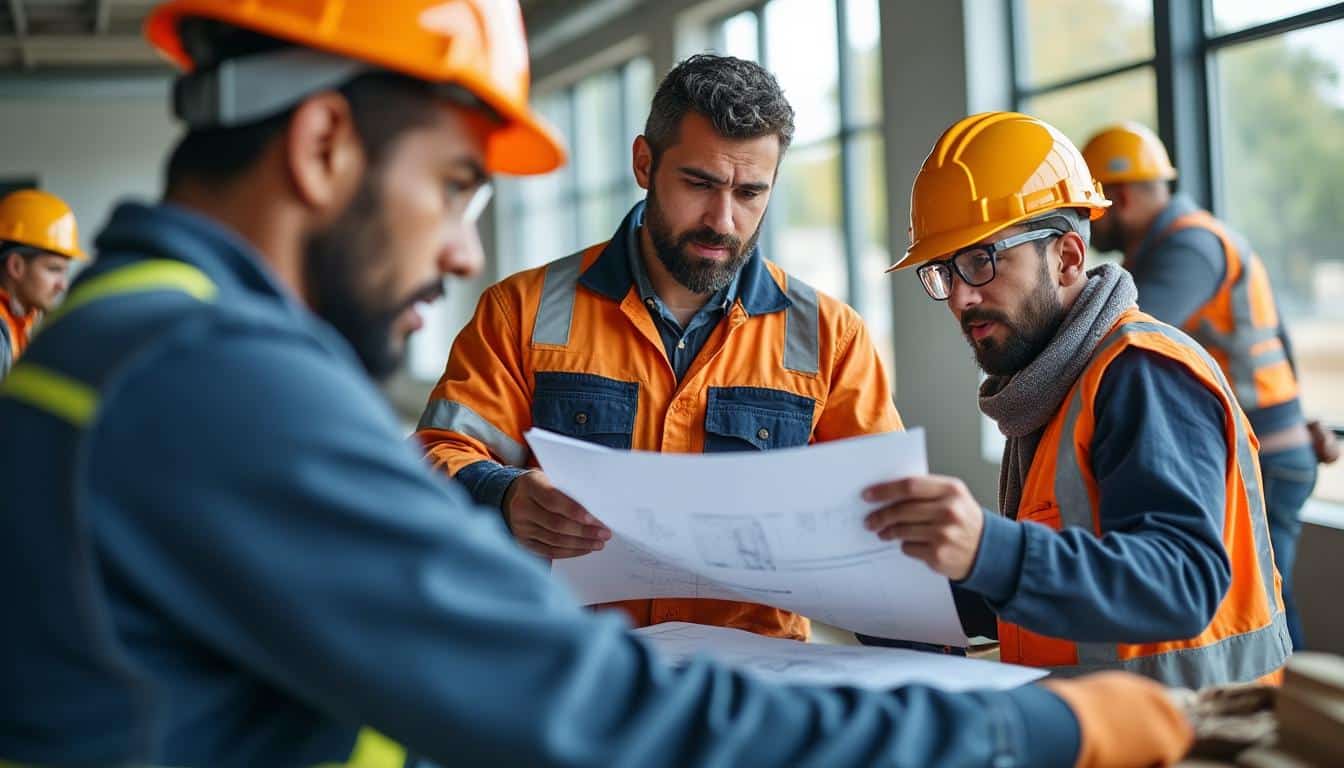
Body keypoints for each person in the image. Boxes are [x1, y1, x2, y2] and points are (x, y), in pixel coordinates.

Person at [0, 2, 1195, 761]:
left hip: (749, 667)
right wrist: (1027, 726)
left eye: (751, 191)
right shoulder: (218, 386)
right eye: (457, 181)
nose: (465, 245)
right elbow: (589, 709)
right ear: (321, 148)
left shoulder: (129, 340)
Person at [416, 54, 902, 641]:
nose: (723, 220)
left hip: (752, 692)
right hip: (568, 670)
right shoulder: (521, 311)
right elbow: (434, 457)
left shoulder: (830, 337)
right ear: (644, 162)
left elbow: (888, 527)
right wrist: (505, 496)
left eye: (750, 193)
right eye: (699, 183)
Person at [869, 111, 1289, 689]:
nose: (961, 297)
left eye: (981, 260)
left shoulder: (1141, 374)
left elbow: (1180, 584)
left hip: (1199, 733)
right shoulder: (1049, 386)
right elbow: (1060, 584)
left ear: (1067, 257)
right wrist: (892, 593)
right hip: (1099, 725)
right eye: (945, 271)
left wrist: (991, 549)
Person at [1082, 121, 1341, 649]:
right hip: (1269, 445)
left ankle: (1293, 722)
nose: (1089, 222)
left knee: (1263, 613)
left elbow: (1126, 335)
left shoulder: (1189, 248)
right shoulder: (1174, 247)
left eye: (1094, 207)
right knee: (1254, 607)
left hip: (1265, 456)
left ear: (1123, 196)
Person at [0, 189, 84, 376]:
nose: (62, 285)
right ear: (16, 266)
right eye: (54, 269)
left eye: (65, 271)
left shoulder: (24, 320)